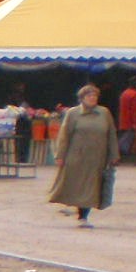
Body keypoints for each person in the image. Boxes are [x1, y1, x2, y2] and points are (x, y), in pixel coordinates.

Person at [47, 83, 118, 227]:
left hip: (97, 158)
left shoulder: (104, 113)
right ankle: (78, 211)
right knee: (77, 185)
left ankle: (84, 215)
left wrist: (114, 154)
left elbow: (111, 134)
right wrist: (60, 155)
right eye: (89, 95)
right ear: (82, 98)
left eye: (95, 96)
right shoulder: (73, 113)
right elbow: (65, 135)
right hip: (76, 157)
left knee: (91, 187)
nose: (93, 98)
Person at [117, 79, 136, 164]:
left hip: (124, 122)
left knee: (123, 140)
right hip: (134, 123)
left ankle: (117, 158)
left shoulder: (124, 93)